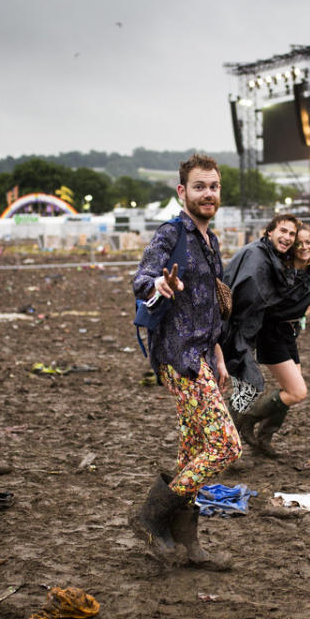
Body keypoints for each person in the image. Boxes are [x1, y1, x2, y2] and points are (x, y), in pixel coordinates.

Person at [129, 154, 238, 570]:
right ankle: (151, 516)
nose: (207, 193)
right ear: (182, 192)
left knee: (194, 450)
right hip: (178, 357)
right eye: (199, 186)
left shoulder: (210, 242)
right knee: (226, 446)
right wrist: (160, 282)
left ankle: (188, 543)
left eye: (213, 186)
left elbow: (208, 305)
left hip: (202, 354)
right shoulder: (170, 233)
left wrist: (219, 355)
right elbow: (141, 279)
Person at [221, 218, 310, 457]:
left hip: (289, 335)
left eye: (308, 242)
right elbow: (267, 305)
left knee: (291, 392)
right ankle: (245, 420)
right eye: (299, 243)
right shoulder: (279, 271)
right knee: (297, 392)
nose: (304, 247)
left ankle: (264, 438)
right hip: (273, 334)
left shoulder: (308, 272)